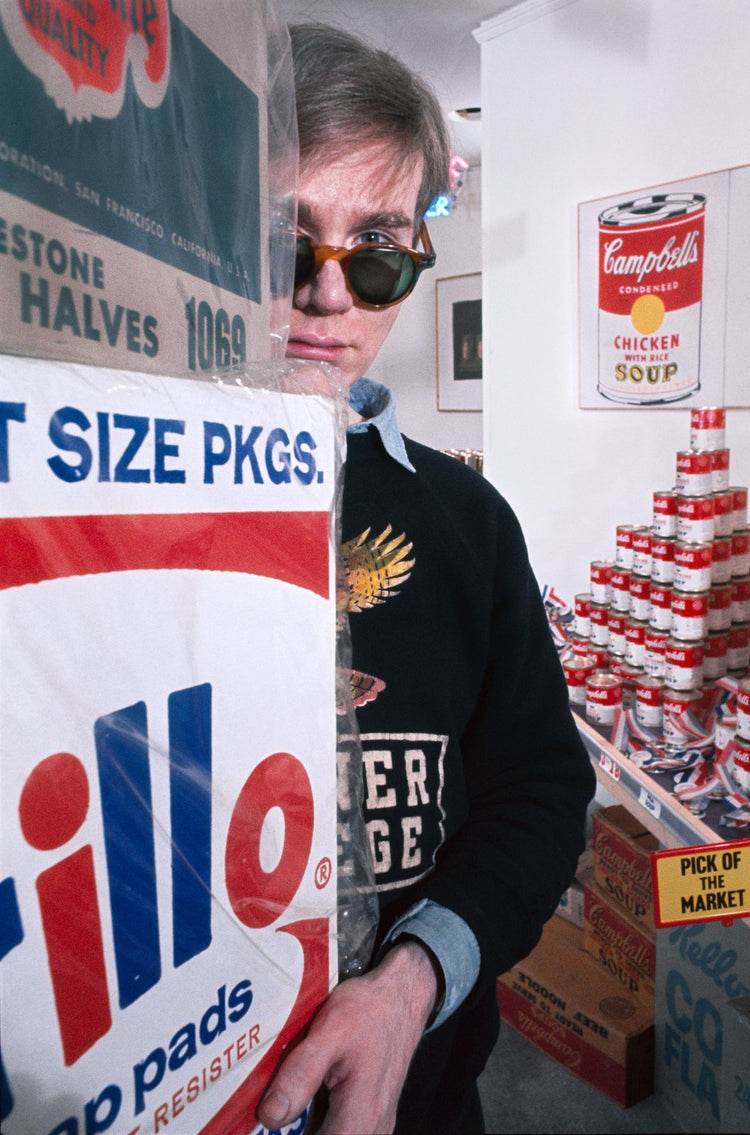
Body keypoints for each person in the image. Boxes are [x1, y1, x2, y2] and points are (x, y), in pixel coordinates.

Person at [258, 21, 596, 1135]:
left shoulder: (468, 523)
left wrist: (411, 988)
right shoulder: (82, 508)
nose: (325, 294)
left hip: (425, 1095)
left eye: (380, 252)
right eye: (280, 238)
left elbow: (541, 792)